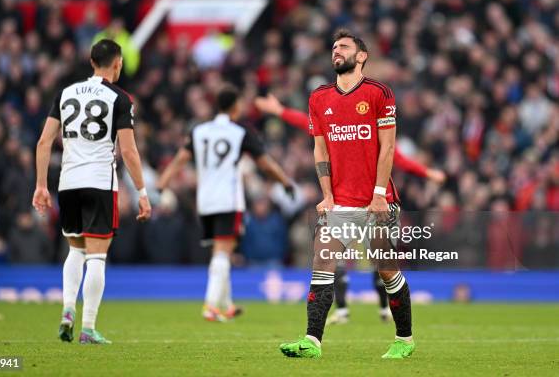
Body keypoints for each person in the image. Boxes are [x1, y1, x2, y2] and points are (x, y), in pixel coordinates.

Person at [279, 29, 415, 359]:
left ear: (362, 56)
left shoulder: (380, 93)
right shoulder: (319, 98)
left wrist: (380, 194)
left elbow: (388, 147)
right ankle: (312, 341)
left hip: (376, 202)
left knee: (386, 269)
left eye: (343, 47)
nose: (336, 51)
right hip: (339, 202)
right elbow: (320, 151)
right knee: (322, 262)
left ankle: (404, 339)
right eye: (333, 47)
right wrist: (326, 195)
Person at [255, 95, 445, 324]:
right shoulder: (337, 131)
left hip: (373, 204)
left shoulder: (374, 138)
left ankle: (387, 309)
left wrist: (427, 173)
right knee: (333, 258)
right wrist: (281, 111)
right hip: (342, 202)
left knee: (380, 262)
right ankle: (342, 310)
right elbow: (308, 124)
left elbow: (399, 158)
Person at [32, 39, 152, 344]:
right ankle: (87, 328)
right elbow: (129, 150)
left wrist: (41, 185)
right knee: (97, 258)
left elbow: (44, 142)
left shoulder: (65, 93)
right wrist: (141, 191)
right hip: (99, 181)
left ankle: (67, 310)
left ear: (90, 60)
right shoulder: (120, 98)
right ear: (118, 64)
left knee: (75, 250)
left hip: (68, 183)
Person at [156, 84, 294, 322]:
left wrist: (162, 182)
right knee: (223, 252)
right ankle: (210, 306)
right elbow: (265, 163)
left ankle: (226, 304)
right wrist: (285, 181)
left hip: (205, 201)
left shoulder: (200, 130)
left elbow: (181, 158)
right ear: (235, 106)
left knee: (219, 253)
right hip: (228, 200)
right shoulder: (240, 131)